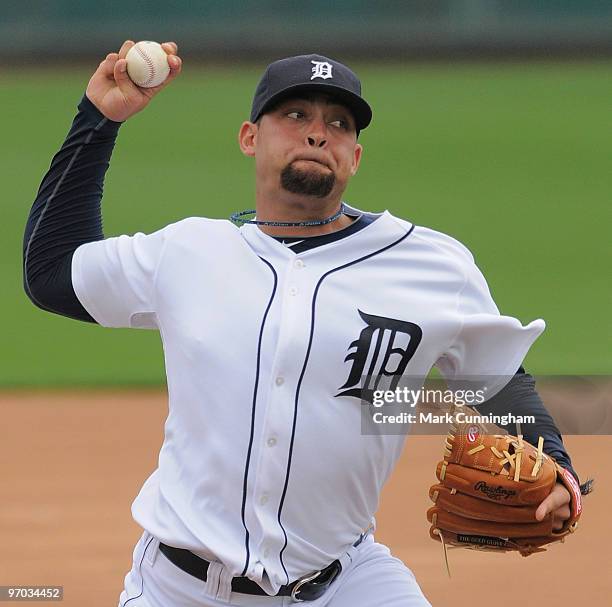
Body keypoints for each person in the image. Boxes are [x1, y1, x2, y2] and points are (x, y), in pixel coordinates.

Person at [23, 41, 584, 606]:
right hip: (178, 589)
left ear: (355, 157)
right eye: (295, 116)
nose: (318, 133)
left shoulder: (432, 266)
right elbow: (51, 272)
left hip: (346, 582)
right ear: (250, 138)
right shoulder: (188, 252)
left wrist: (556, 465)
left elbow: (500, 380)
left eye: (338, 123)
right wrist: (101, 119)